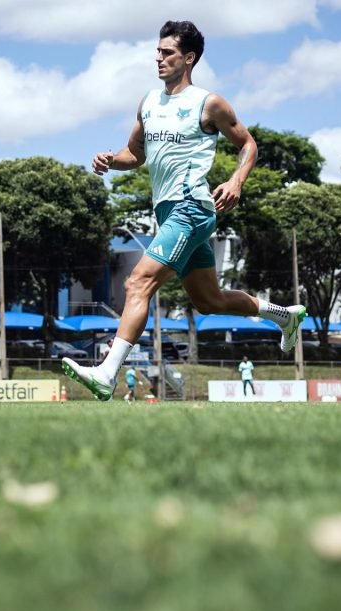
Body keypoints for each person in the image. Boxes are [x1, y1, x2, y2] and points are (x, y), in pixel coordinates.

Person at [62, 20, 306, 400]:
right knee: (209, 300)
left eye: (167, 53)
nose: (158, 58)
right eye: (158, 52)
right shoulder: (148, 102)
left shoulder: (209, 103)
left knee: (136, 283)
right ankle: (284, 316)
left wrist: (236, 181)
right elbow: (135, 155)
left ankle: (107, 374)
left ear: (188, 58)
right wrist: (112, 160)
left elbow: (248, 145)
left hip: (192, 207)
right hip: (166, 211)